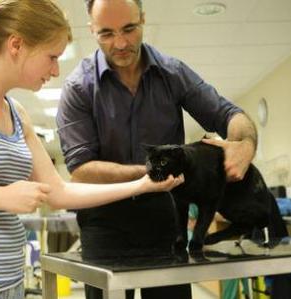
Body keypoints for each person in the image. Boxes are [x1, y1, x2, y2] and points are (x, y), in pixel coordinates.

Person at [0, 1, 183, 298]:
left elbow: (59, 192)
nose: (55, 71)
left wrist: (142, 185)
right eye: (52, 57)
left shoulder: (16, 112)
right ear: (16, 45)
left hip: (7, 281)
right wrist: (1, 196)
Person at [56, 0, 258, 298]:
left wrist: (245, 144)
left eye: (129, 29)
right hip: (105, 225)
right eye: (106, 33)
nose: (121, 43)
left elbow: (230, 115)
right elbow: (82, 169)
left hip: (167, 223)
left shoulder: (172, 73)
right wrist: (151, 175)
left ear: (143, 19)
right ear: (91, 30)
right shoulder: (78, 88)